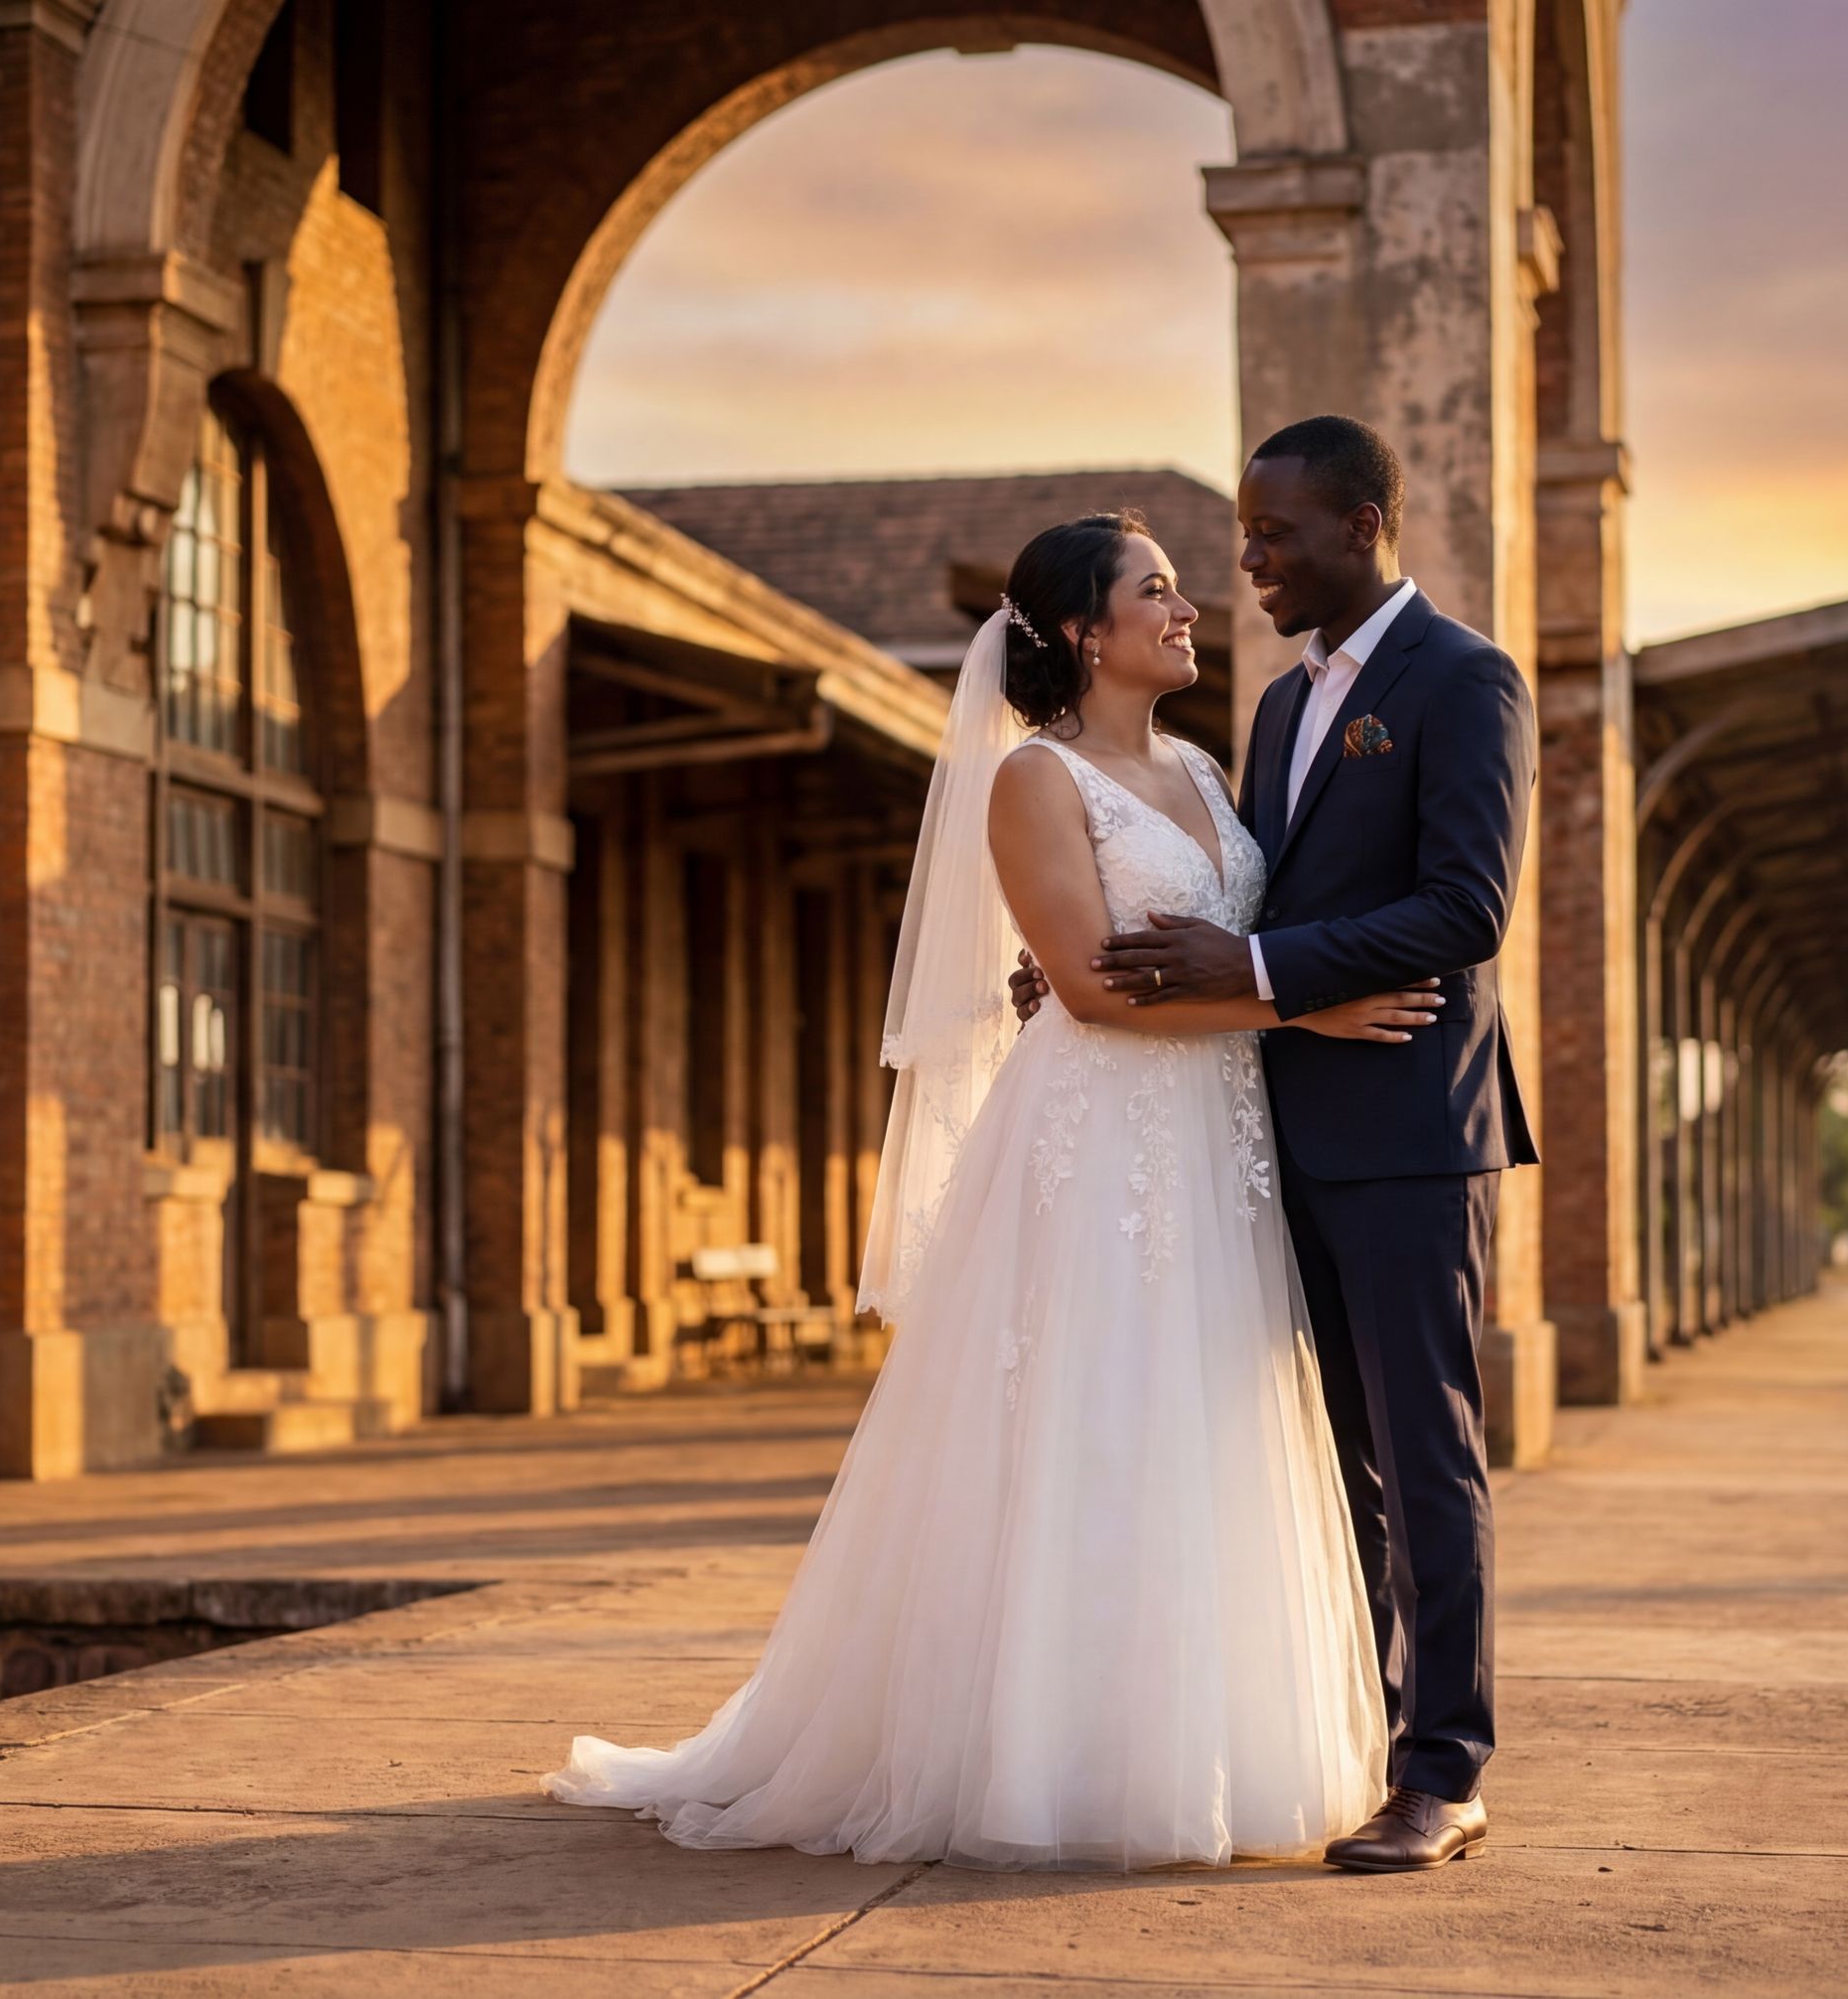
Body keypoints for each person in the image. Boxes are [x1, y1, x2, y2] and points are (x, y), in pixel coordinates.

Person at [540, 507, 1446, 1869]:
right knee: (1092, 1426)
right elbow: (1085, 986)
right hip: (1100, 1144)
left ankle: (1211, 1747)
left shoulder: (1210, 771)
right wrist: (1303, 1016)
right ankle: (1043, 1761)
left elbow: (1243, 932)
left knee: (1209, 1427)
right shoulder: (1033, 781)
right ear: (1086, 631)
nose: (1188, 604)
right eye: (1157, 588)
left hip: (1220, 1147)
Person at [1015, 415, 1539, 1872]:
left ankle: (1447, 1768)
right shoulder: (1279, 707)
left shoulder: (1466, 678)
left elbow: (1466, 907)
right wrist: (1095, 969)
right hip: (1265, 1132)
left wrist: (1249, 972)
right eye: (1238, 536)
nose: (1246, 562)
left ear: (1364, 524)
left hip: (1409, 1128)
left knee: (1426, 1454)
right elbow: (1223, 903)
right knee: (1325, 1462)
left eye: (1272, 534)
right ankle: (1362, 1740)